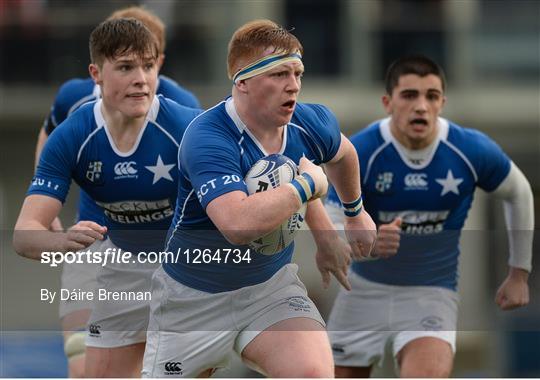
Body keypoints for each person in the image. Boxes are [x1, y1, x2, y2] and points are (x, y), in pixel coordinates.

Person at [141, 19, 377, 378]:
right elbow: (237, 224)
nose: (293, 86)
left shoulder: (310, 122)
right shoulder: (208, 136)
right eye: (280, 74)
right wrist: (305, 186)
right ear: (243, 82)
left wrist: (354, 212)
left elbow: (344, 154)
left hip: (269, 289)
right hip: (191, 299)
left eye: (297, 73)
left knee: (312, 372)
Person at [325, 55, 534, 378]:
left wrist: (519, 272)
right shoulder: (360, 152)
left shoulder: (470, 149)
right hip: (362, 290)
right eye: (410, 95)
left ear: (442, 103)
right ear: (388, 102)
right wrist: (368, 242)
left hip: (430, 292)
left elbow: (519, 192)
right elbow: (328, 233)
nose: (421, 106)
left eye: (431, 96)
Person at [13, 18, 201, 377]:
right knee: (84, 364)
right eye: (127, 67)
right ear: (96, 73)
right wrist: (58, 235)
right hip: (104, 252)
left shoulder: (186, 120)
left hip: (184, 265)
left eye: (148, 65)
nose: (141, 78)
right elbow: (24, 234)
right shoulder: (74, 124)